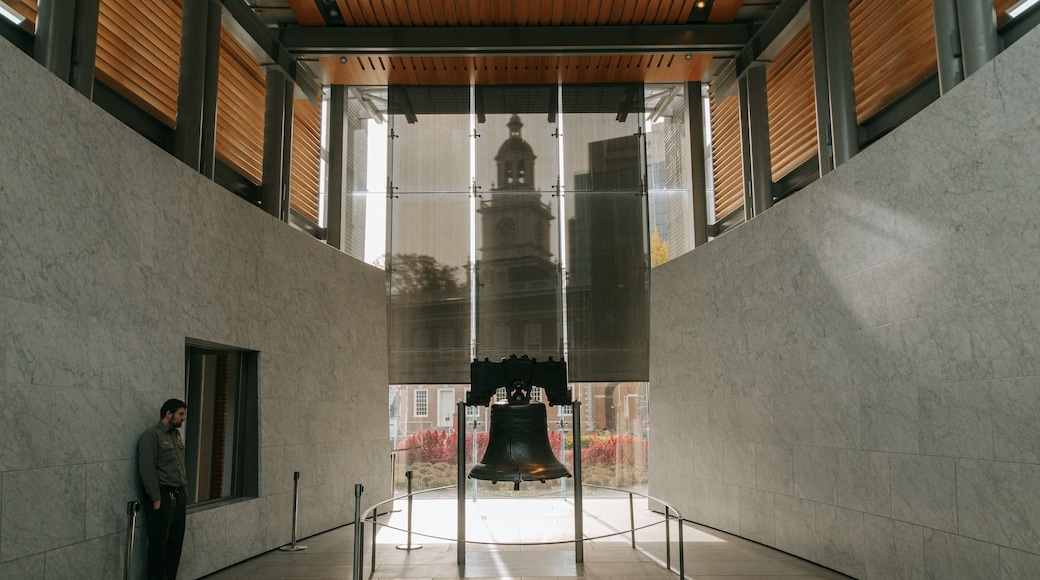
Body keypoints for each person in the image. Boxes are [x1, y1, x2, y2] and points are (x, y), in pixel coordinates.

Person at [138, 399, 188, 580]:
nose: (183, 418)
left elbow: (180, 465)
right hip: (162, 497)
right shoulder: (153, 436)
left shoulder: (176, 436)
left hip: (178, 495)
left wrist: (184, 491)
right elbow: (147, 468)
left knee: (175, 543)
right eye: (180, 414)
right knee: (159, 545)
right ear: (168, 413)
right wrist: (155, 498)